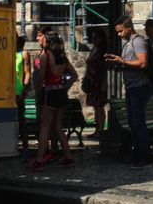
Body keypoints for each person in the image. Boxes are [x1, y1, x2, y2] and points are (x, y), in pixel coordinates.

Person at [105, 16, 153, 169]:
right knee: (134, 123)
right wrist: (118, 61)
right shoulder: (127, 43)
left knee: (138, 123)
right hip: (132, 87)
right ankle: (137, 155)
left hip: (139, 88)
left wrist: (122, 62)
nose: (119, 34)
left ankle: (144, 157)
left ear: (128, 27)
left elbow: (143, 62)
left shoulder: (138, 41)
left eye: (120, 31)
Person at [28, 32, 78, 171]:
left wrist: (38, 92)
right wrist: (65, 88)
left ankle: (39, 160)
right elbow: (74, 75)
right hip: (61, 93)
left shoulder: (46, 57)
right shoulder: (62, 58)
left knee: (44, 128)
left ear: (48, 43)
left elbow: (40, 78)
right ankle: (68, 156)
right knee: (58, 126)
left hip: (49, 94)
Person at [84, 28, 109, 139]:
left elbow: (104, 68)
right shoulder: (94, 49)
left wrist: (104, 82)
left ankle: (101, 130)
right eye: (93, 37)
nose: (93, 40)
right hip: (92, 81)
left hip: (99, 81)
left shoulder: (102, 51)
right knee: (95, 106)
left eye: (96, 38)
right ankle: (97, 129)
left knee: (99, 106)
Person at [16, 35, 32, 151]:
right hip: (6, 94)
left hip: (18, 93)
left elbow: (27, 73)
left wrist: (24, 91)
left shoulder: (23, 54)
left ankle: (26, 149)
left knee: (22, 123)